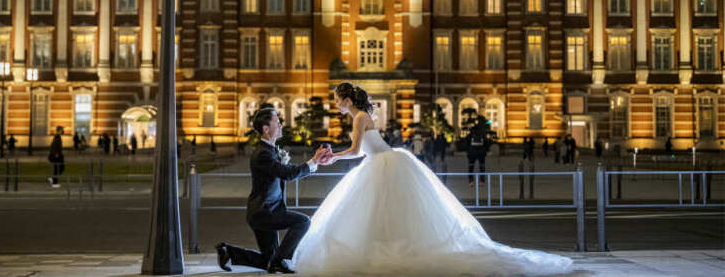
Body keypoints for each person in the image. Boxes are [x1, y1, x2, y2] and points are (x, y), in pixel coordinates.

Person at [290, 83, 572, 276]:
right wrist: (334, 157)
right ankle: (390, 249)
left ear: (347, 101)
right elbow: (361, 152)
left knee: (378, 212)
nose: (336, 104)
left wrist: (332, 156)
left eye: (338, 99)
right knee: (386, 213)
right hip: (381, 163)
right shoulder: (361, 115)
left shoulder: (359, 117)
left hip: (383, 165)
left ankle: (389, 250)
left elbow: (354, 151)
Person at [215, 107, 331, 274]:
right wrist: (313, 161)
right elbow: (288, 174)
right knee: (303, 222)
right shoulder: (263, 153)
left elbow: (285, 172)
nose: (281, 125)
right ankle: (280, 260)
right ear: (266, 129)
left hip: (264, 210)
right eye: (277, 122)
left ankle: (229, 253)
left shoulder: (269, 150)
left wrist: (313, 164)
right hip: (265, 212)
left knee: (268, 260)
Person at [466, 119, 488, 186]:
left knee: (471, 167)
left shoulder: (471, 134)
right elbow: (486, 143)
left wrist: (468, 151)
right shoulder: (482, 133)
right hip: (481, 151)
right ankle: (482, 181)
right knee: (482, 167)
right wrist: (485, 150)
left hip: (472, 151)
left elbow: (467, 143)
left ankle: (471, 181)